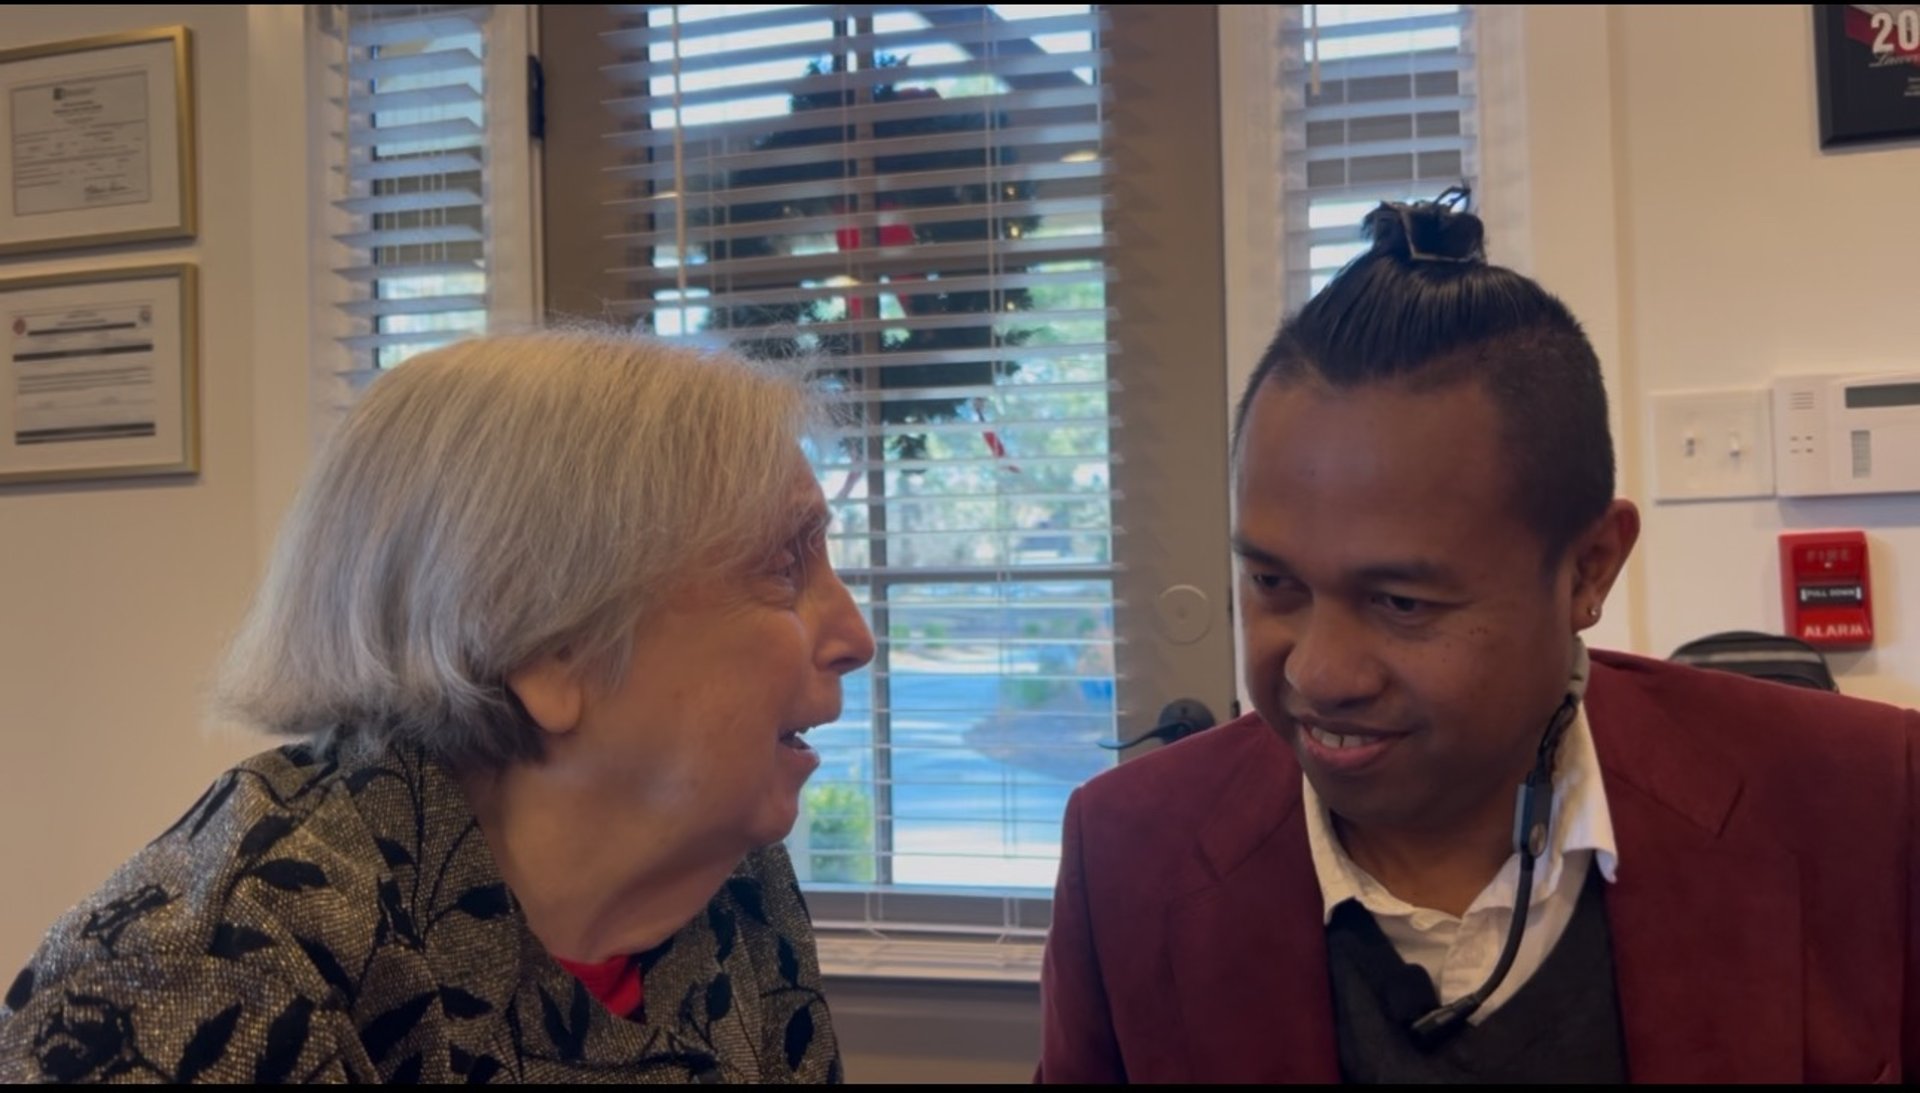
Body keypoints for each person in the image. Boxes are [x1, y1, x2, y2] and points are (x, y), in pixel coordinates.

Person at [1037, 192, 1920, 1083]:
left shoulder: (1869, 802)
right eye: (1274, 583)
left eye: (1401, 601)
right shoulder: (1128, 853)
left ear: (1589, 569)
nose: (1319, 671)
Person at [0, 329, 875, 1083]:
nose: (855, 637)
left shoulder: (726, 883)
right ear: (550, 644)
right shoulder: (207, 973)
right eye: (783, 566)